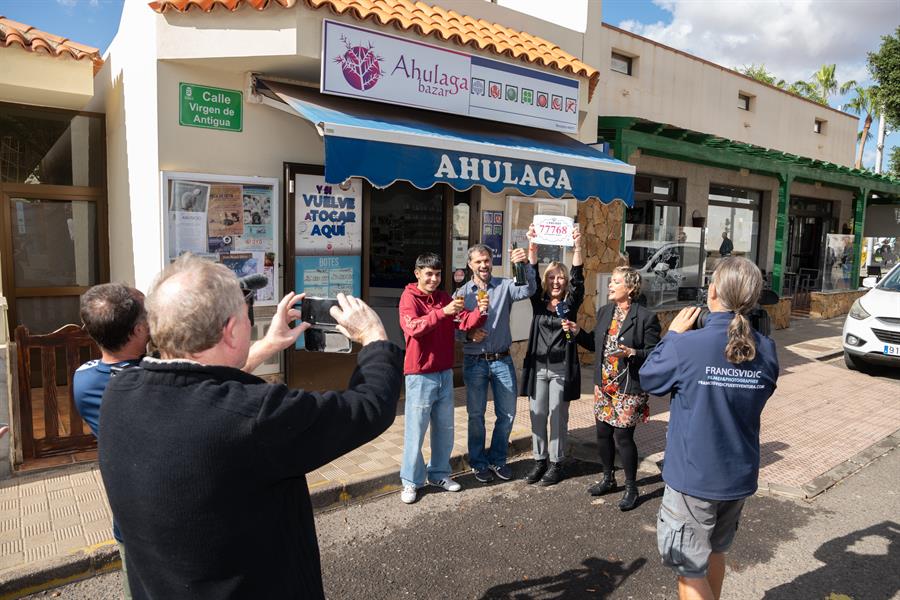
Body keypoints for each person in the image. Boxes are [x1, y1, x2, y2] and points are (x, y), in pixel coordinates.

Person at [99, 254, 403, 599]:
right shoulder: (256, 416)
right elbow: (368, 407)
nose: (250, 326)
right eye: (246, 318)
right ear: (230, 331)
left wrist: (268, 346)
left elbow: (201, 385)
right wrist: (375, 338)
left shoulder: (119, 393)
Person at [640, 257, 779, 600]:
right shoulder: (768, 351)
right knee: (716, 552)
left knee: (689, 567)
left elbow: (649, 377)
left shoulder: (688, 346)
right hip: (737, 476)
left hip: (694, 478)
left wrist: (672, 335)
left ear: (713, 291)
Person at [73, 283, 150, 599]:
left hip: (128, 517)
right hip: (173, 516)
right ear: (138, 330)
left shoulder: (84, 380)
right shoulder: (155, 380)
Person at [565, 266, 661, 510]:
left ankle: (631, 486)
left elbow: (655, 353)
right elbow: (595, 345)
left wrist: (632, 352)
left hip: (628, 387)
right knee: (602, 434)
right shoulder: (605, 312)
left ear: (629, 288)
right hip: (604, 385)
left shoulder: (646, 317)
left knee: (623, 438)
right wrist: (577, 333)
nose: (610, 285)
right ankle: (608, 478)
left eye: (615, 282)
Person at [397, 253, 487, 504]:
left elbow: (463, 322)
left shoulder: (445, 297)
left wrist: (481, 311)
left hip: (444, 373)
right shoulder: (408, 298)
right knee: (415, 431)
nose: (434, 279)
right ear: (417, 274)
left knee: (445, 429)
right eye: (429, 274)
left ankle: (439, 474)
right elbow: (413, 327)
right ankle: (410, 481)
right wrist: (442, 312)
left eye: (437, 274)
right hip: (419, 374)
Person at [456, 243, 536, 483]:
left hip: (502, 360)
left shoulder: (504, 287)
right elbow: (452, 329)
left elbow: (528, 289)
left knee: (508, 413)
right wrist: (469, 335)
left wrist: (523, 264)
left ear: (492, 261)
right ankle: (478, 462)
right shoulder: (461, 294)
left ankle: (498, 459)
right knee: (476, 415)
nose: (483, 265)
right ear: (470, 264)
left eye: (487, 260)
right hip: (474, 361)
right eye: (478, 261)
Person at [519, 225, 584, 486]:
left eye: (560, 278)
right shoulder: (538, 302)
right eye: (551, 278)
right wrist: (532, 249)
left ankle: (557, 464)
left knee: (558, 416)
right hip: (538, 368)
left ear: (565, 282)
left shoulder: (570, 304)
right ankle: (539, 461)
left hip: (561, 368)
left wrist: (578, 246)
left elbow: (580, 277)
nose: (555, 282)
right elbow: (530, 277)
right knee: (536, 413)